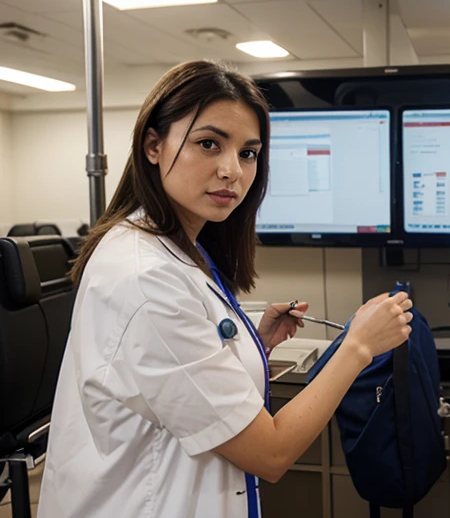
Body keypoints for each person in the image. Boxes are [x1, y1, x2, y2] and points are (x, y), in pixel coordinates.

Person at [37, 61, 413, 518]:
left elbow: (168, 371)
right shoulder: (145, 279)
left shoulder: (166, 246)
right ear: (154, 145)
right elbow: (269, 454)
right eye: (209, 144)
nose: (232, 170)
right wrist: (358, 346)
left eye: (249, 153)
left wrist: (249, 339)